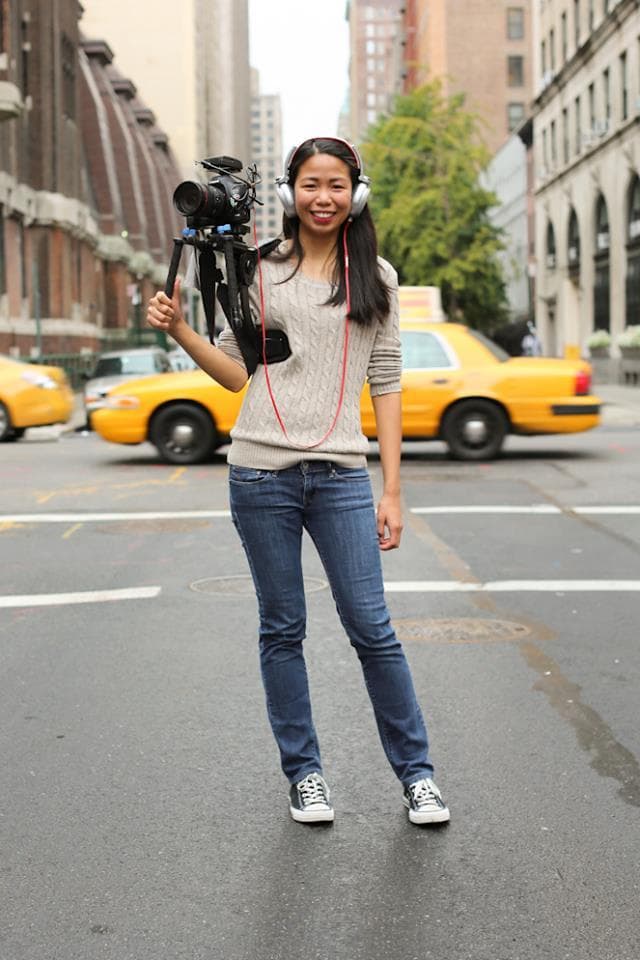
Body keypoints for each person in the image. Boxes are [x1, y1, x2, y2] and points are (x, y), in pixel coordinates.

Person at [147, 137, 450, 827]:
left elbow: (386, 383)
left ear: (356, 193)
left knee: (373, 630)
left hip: (342, 473)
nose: (323, 197)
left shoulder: (378, 277)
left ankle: (418, 777)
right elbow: (236, 373)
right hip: (259, 472)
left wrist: (393, 490)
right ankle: (306, 775)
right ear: (290, 194)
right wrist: (179, 333)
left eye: (336, 184)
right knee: (282, 629)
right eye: (311, 184)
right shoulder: (259, 271)